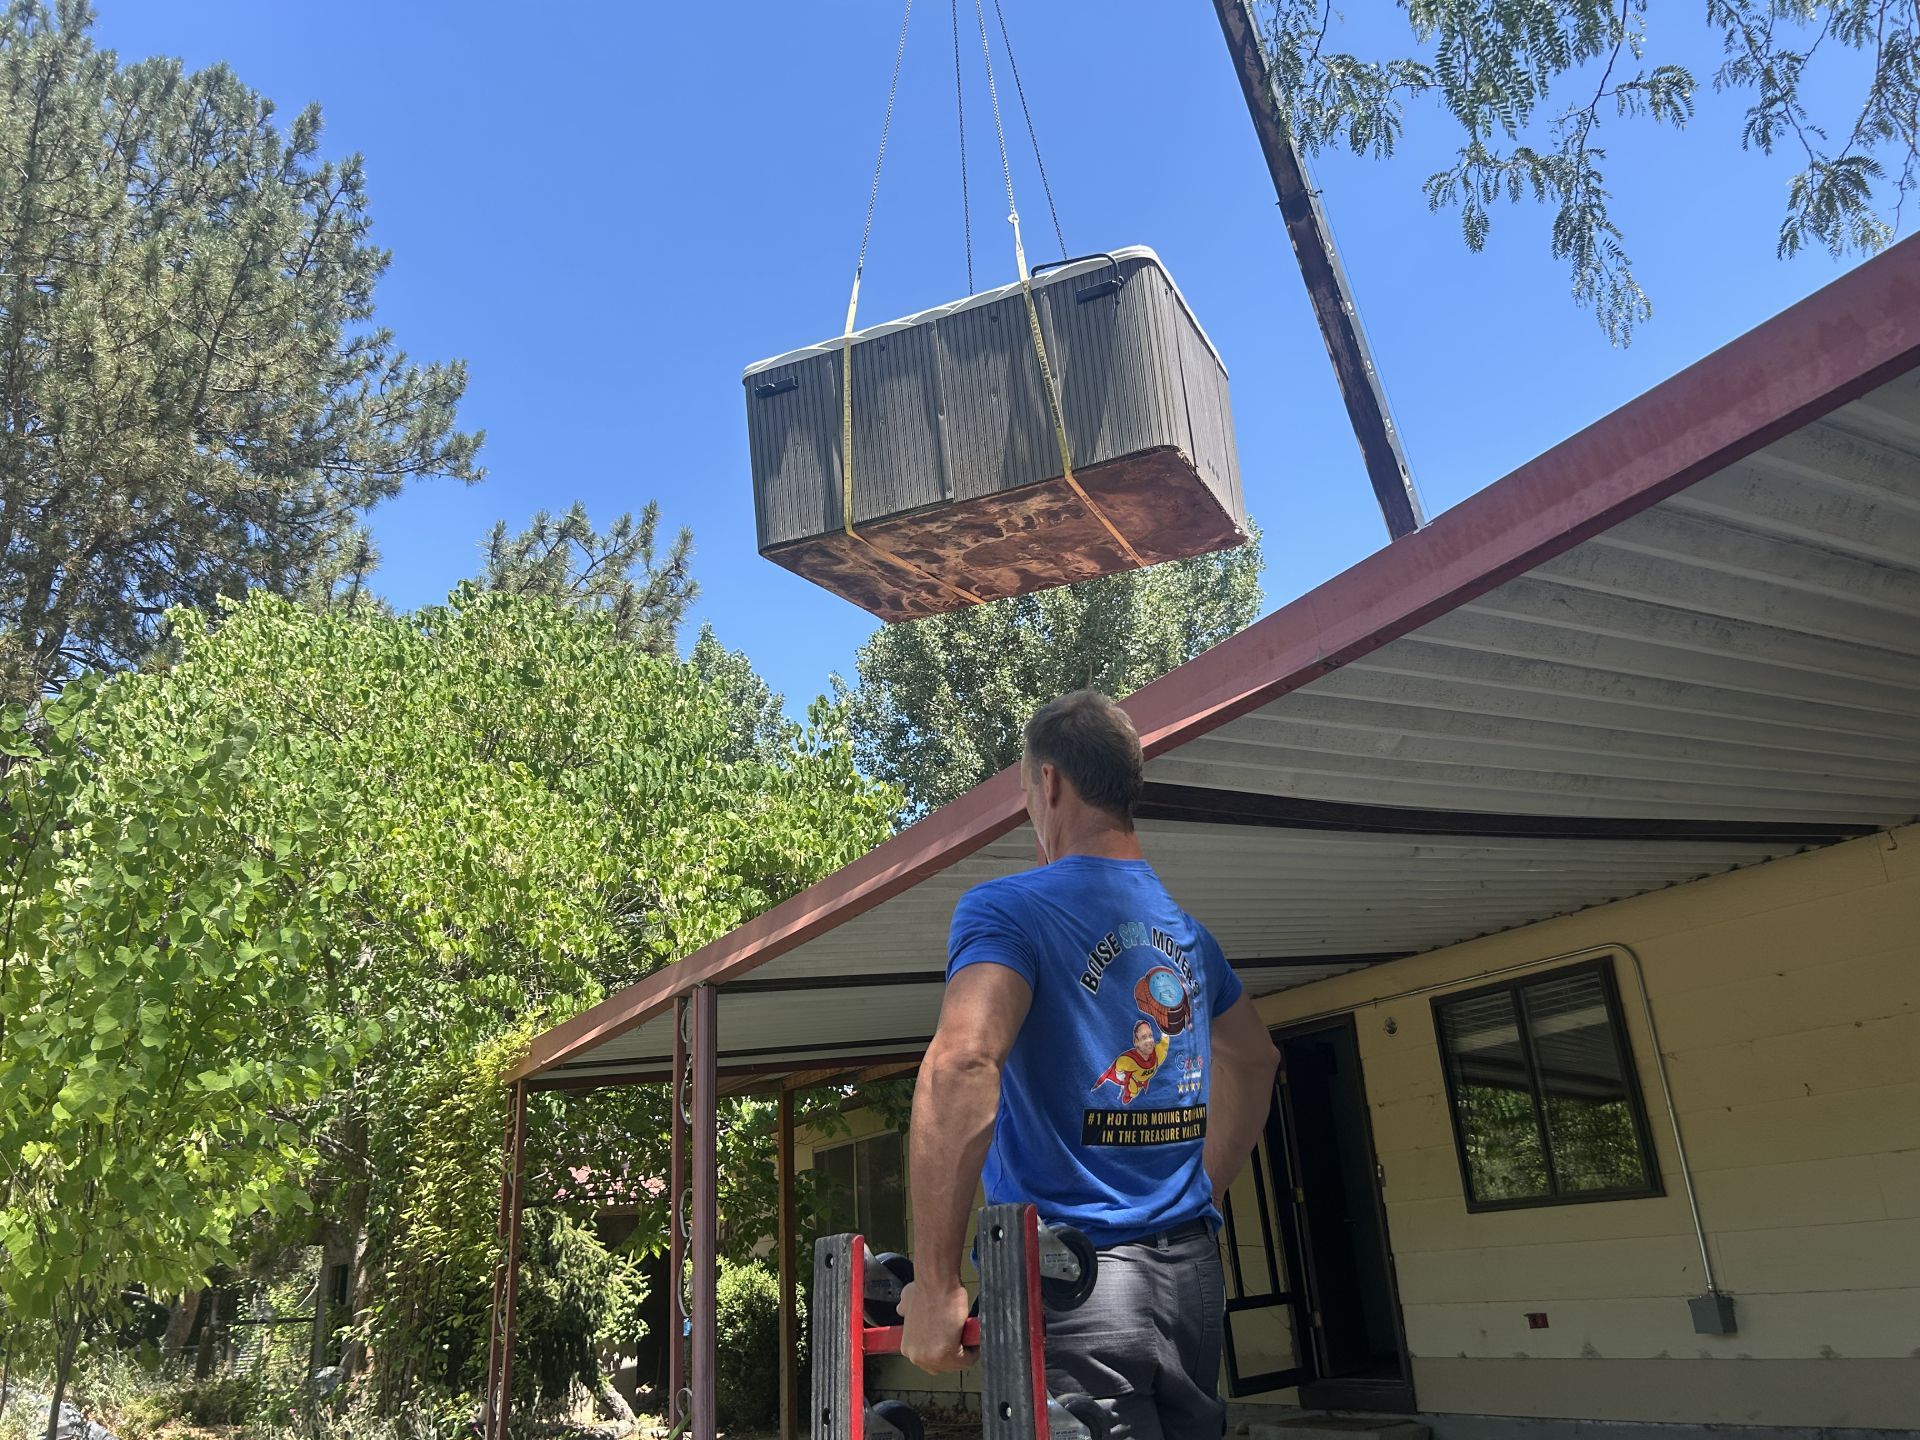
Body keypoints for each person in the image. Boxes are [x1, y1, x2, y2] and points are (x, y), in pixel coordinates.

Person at [897, 689, 1281, 1439]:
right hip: (1192, 1279)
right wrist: (1200, 1188)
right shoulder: (1186, 933)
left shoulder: (1008, 909)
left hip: (1075, 1283)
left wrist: (937, 1283)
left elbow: (965, 1061)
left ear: (1049, 784)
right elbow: (1256, 1058)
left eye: (1025, 795)